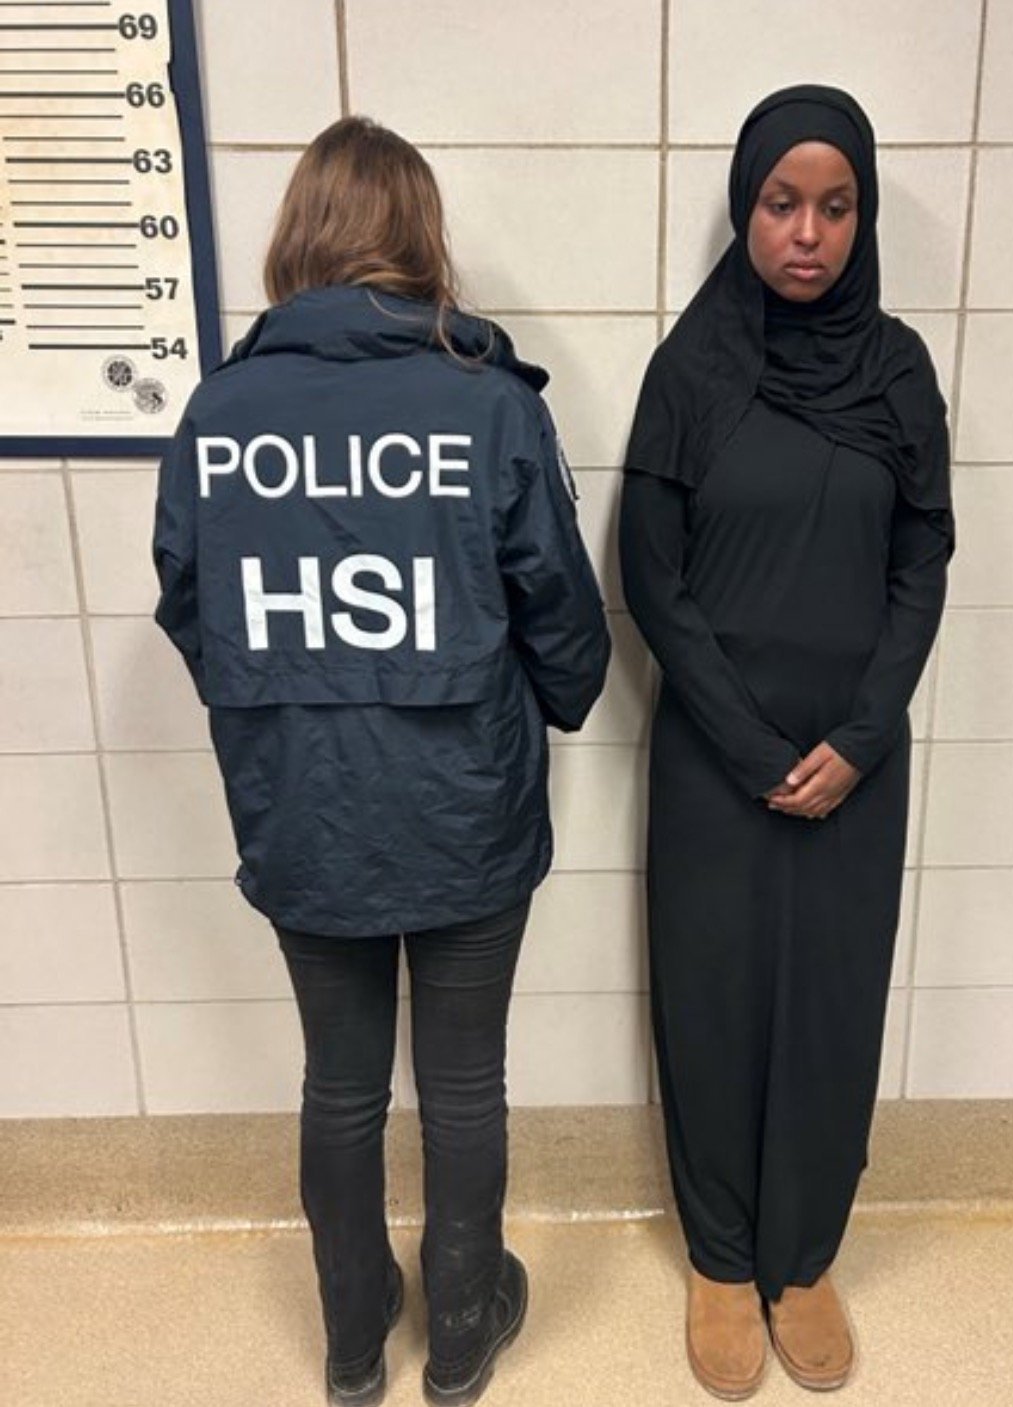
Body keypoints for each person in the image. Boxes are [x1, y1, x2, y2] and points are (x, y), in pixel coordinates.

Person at [153, 116, 610, 1407]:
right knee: (464, 1081)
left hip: (302, 808)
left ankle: (354, 1343)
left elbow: (192, 606)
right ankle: (462, 1335)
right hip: (464, 801)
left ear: (298, 236)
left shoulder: (219, 414)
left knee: (340, 1082)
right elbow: (561, 619)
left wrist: (278, 710)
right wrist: (556, 705)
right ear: (419, 239)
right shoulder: (484, 405)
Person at [620, 85, 953, 1398]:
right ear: (742, 209)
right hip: (716, 762)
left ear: (858, 219)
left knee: (827, 1009)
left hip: (858, 768)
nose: (804, 233)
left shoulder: (899, 372)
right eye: (779, 204)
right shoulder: (689, 373)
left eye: (832, 207)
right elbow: (651, 577)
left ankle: (800, 1260)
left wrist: (861, 736)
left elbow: (920, 561)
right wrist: (753, 743)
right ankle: (717, 1259)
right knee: (710, 1007)